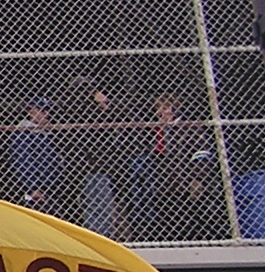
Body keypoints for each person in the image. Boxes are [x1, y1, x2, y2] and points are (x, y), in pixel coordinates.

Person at [130, 93, 217, 241]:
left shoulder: (189, 129)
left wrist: (197, 179)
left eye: (165, 108)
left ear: (174, 109)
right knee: (168, 223)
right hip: (164, 187)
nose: (161, 113)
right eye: (158, 109)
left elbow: (201, 155)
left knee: (192, 221)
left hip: (185, 183)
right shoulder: (154, 132)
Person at [60, 77, 125, 237]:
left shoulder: (72, 111)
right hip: (93, 165)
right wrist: (101, 106)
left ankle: (98, 234)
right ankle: (100, 236)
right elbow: (102, 131)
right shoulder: (85, 112)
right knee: (98, 205)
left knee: (96, 204)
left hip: (89, 166)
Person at [11, 97, 61, 213]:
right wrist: (32, 187)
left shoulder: (47, 133)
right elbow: (22, 161)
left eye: (49, 111)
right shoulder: (24, 134)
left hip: (52, 186)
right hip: (37, 188)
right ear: (31, 111)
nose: (47, 114)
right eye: (42, 110)